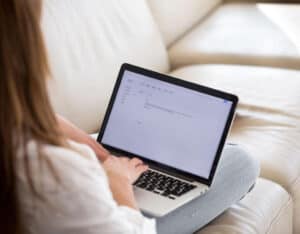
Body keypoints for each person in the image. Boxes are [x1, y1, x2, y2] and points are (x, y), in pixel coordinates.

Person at [0, 1, 259, 234]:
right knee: (240, 162)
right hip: (108, 206)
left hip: (81, 186)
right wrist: (119, 182)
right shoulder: (54, 171)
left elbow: (20, 111)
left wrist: (93, 147)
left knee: (194, 159)